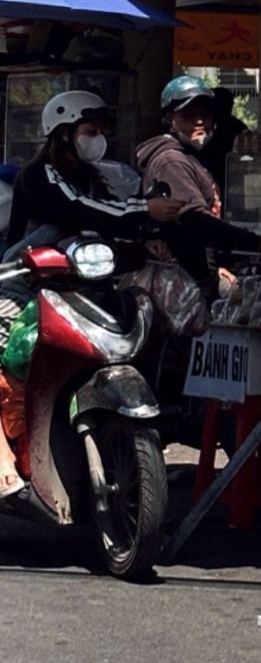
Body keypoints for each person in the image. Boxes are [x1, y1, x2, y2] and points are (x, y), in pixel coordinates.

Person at [0, 91, 183, 504]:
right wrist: (144, 211)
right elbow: (82, 211)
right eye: (89, 131)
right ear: (62, 135)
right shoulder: (40, 176)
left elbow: (112, 208)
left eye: (101, 132)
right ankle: (3, 467)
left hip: (82, 288)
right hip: (21, 284)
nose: (96, 139)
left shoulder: (99, 175)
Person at [136, 75, 261, 295]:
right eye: (188, 116)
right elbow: (197, 221)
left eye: (205, 115)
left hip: (197, 275)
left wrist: (216, 269)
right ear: (169, 120)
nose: (199, 122)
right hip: (183, 283)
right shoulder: (172, 161)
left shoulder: (191, 156)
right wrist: (258, 243)